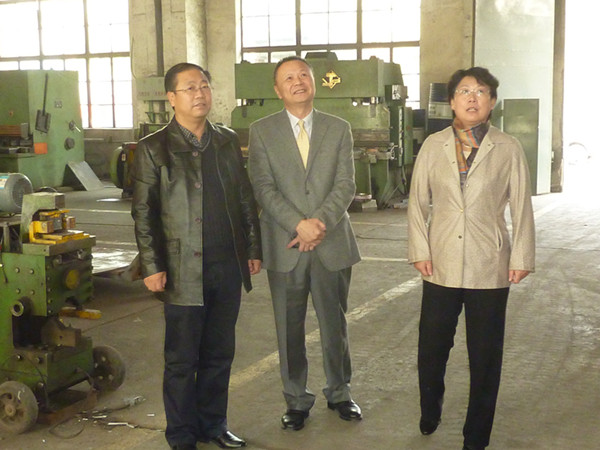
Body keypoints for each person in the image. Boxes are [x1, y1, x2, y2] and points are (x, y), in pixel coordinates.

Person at [131, 62, 262, 450]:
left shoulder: (226, 140)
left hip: (226, 265)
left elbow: (244, 198)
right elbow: (143, 212)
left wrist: (251, 249)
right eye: (189, 88)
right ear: (171, 98)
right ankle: (181, 434)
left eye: (204, 86)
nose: (200, 94)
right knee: (182, 360)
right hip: (181, 268)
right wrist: (152, 265)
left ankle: (213, 425)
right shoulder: (153, 148)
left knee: (219, 354)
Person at [407, 66, 535, 450]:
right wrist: (419, 250)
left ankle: (476, 436)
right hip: (440, 262)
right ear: (452, 101)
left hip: (489, 263)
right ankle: (430, 408)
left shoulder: (507, 148)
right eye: (464, 91)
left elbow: (521, 206)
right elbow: (417, 202)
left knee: (485, 356)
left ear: (492, 101)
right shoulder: (433, 146)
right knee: (432, 349)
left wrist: (521, 256)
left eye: (481, 92)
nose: (472, 98)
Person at [247, 56, 362, 431]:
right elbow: (262, 187)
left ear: (313, 82)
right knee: (288, 327)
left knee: (334, 324)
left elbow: (346, 183)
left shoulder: (338, 128)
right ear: (277, 90)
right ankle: (296, 400)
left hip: (331, 243)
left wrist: (318, 224)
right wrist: (298, 224)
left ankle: (340, 392)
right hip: (285, 244)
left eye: (303, 75)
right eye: (288, 78)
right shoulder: (262, 131)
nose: (297, 82)